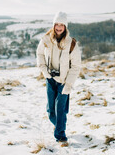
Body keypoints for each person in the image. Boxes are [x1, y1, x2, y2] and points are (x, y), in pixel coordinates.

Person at [36, 11, 81, 143]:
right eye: (57, 24)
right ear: (54, 25)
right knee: (51, 111)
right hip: (50, 79)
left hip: (64, 81)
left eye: (62, 24)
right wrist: (45, 72)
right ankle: (59, 124)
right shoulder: (45, 40)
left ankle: (60, 135)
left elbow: (76, 66)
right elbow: (40, 55)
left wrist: (68, 84)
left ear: (65, 26)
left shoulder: (71, 43)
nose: (59, 27)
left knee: (60, 109)